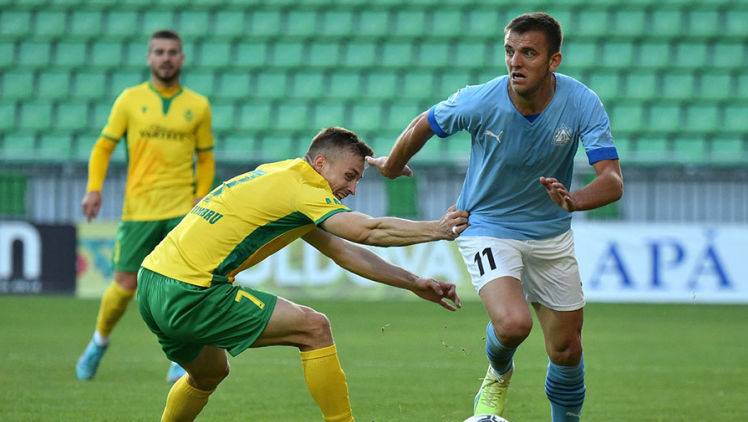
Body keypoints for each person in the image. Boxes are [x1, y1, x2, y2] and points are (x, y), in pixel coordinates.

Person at [366, 12, 623, 422]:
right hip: (486, 225)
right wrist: (392, 166)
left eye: (528, 53)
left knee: (566, 350)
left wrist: (574, 200)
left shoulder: (581, 102)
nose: (515, 62)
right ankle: (498, 373)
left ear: (553, 61)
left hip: (551, 234)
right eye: (509, 51)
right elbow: (425, 123)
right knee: (513, 325)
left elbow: (612, 180)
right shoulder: (482, 99)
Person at [137, 126, 468, 422]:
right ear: (321, 163)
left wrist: (413, 282)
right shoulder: (304, 189)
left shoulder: (280, 174)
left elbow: (344, 251)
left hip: (151, 281)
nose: (353, 189)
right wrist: (437, 229)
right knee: (314, 328)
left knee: (209, 373)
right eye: (349, 176)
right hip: (192, 291)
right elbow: (368, 230)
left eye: (358, 180)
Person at [76, 29, 215, 384]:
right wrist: (93, 189)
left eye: (172, 52)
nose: (166, 58)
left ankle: (182, 355)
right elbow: (103, 146)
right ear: (149, 58)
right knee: (124, 285)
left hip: (182, 210)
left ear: (182, 58)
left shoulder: (198, 105)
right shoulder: (130, 100)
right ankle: (98, 342)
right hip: (139, 209)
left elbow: (205, 156)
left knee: (183, 285)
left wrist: (202, 193)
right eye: (159, 52)